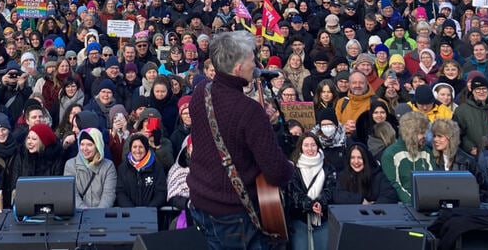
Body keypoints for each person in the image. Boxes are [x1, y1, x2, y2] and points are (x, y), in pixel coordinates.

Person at [188, 31, 295, 249]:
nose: (255, 64)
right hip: (233, 214)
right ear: (238, 68)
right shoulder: (249, 111)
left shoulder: (201, 92)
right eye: (251, 60)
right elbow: (276, 171)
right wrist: (290, 168)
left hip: (200, 202)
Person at [287, 133, 336, 250]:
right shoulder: (293, 168)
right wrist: (310, 204)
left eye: (313, 145)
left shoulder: (328, 167)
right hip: (299, 219)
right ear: (301, 147)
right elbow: (293, 191)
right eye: (306, 145)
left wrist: (320, 202)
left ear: (318, 146)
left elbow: (331, 189)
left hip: (322, 219)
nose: (310, 149)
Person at [381, 110, 433, 203]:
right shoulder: (390, 154)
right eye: (421, 133)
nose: (425, 136)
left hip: (429, 205)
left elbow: (434, 179)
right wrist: (413, 203)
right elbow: (394, 184)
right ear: (411, 133)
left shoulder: (427, 152)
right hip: (403, 207)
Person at [64, 127, 117, 209]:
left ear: (97, 146)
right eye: (82, 144)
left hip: (101, 216)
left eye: (89, 145)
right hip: (79, 215)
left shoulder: (108, 166)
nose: (85, 149)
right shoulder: (70, 165)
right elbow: (72, 194)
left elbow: (109, 194)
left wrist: (97, 215)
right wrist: (85, 213)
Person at [333, 142, 397, 205]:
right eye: (352, 157)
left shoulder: (379, 177)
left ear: (366, 159)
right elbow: (337, 196)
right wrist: (360, 200)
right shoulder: (343, 176)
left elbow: (389, 196)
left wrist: (372, 208)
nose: (356, 161)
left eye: (359, 158)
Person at [116, 133, 167, 208]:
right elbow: (120, 192)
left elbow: (161, 192)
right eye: (134, 147)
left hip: (151, 214)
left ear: (146, 148)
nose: (137, 150)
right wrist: (131, 211)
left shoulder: (156, 167)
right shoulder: (123, 168)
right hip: (129, 215)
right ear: (130, 149)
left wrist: (149, 210)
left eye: (141, 147)